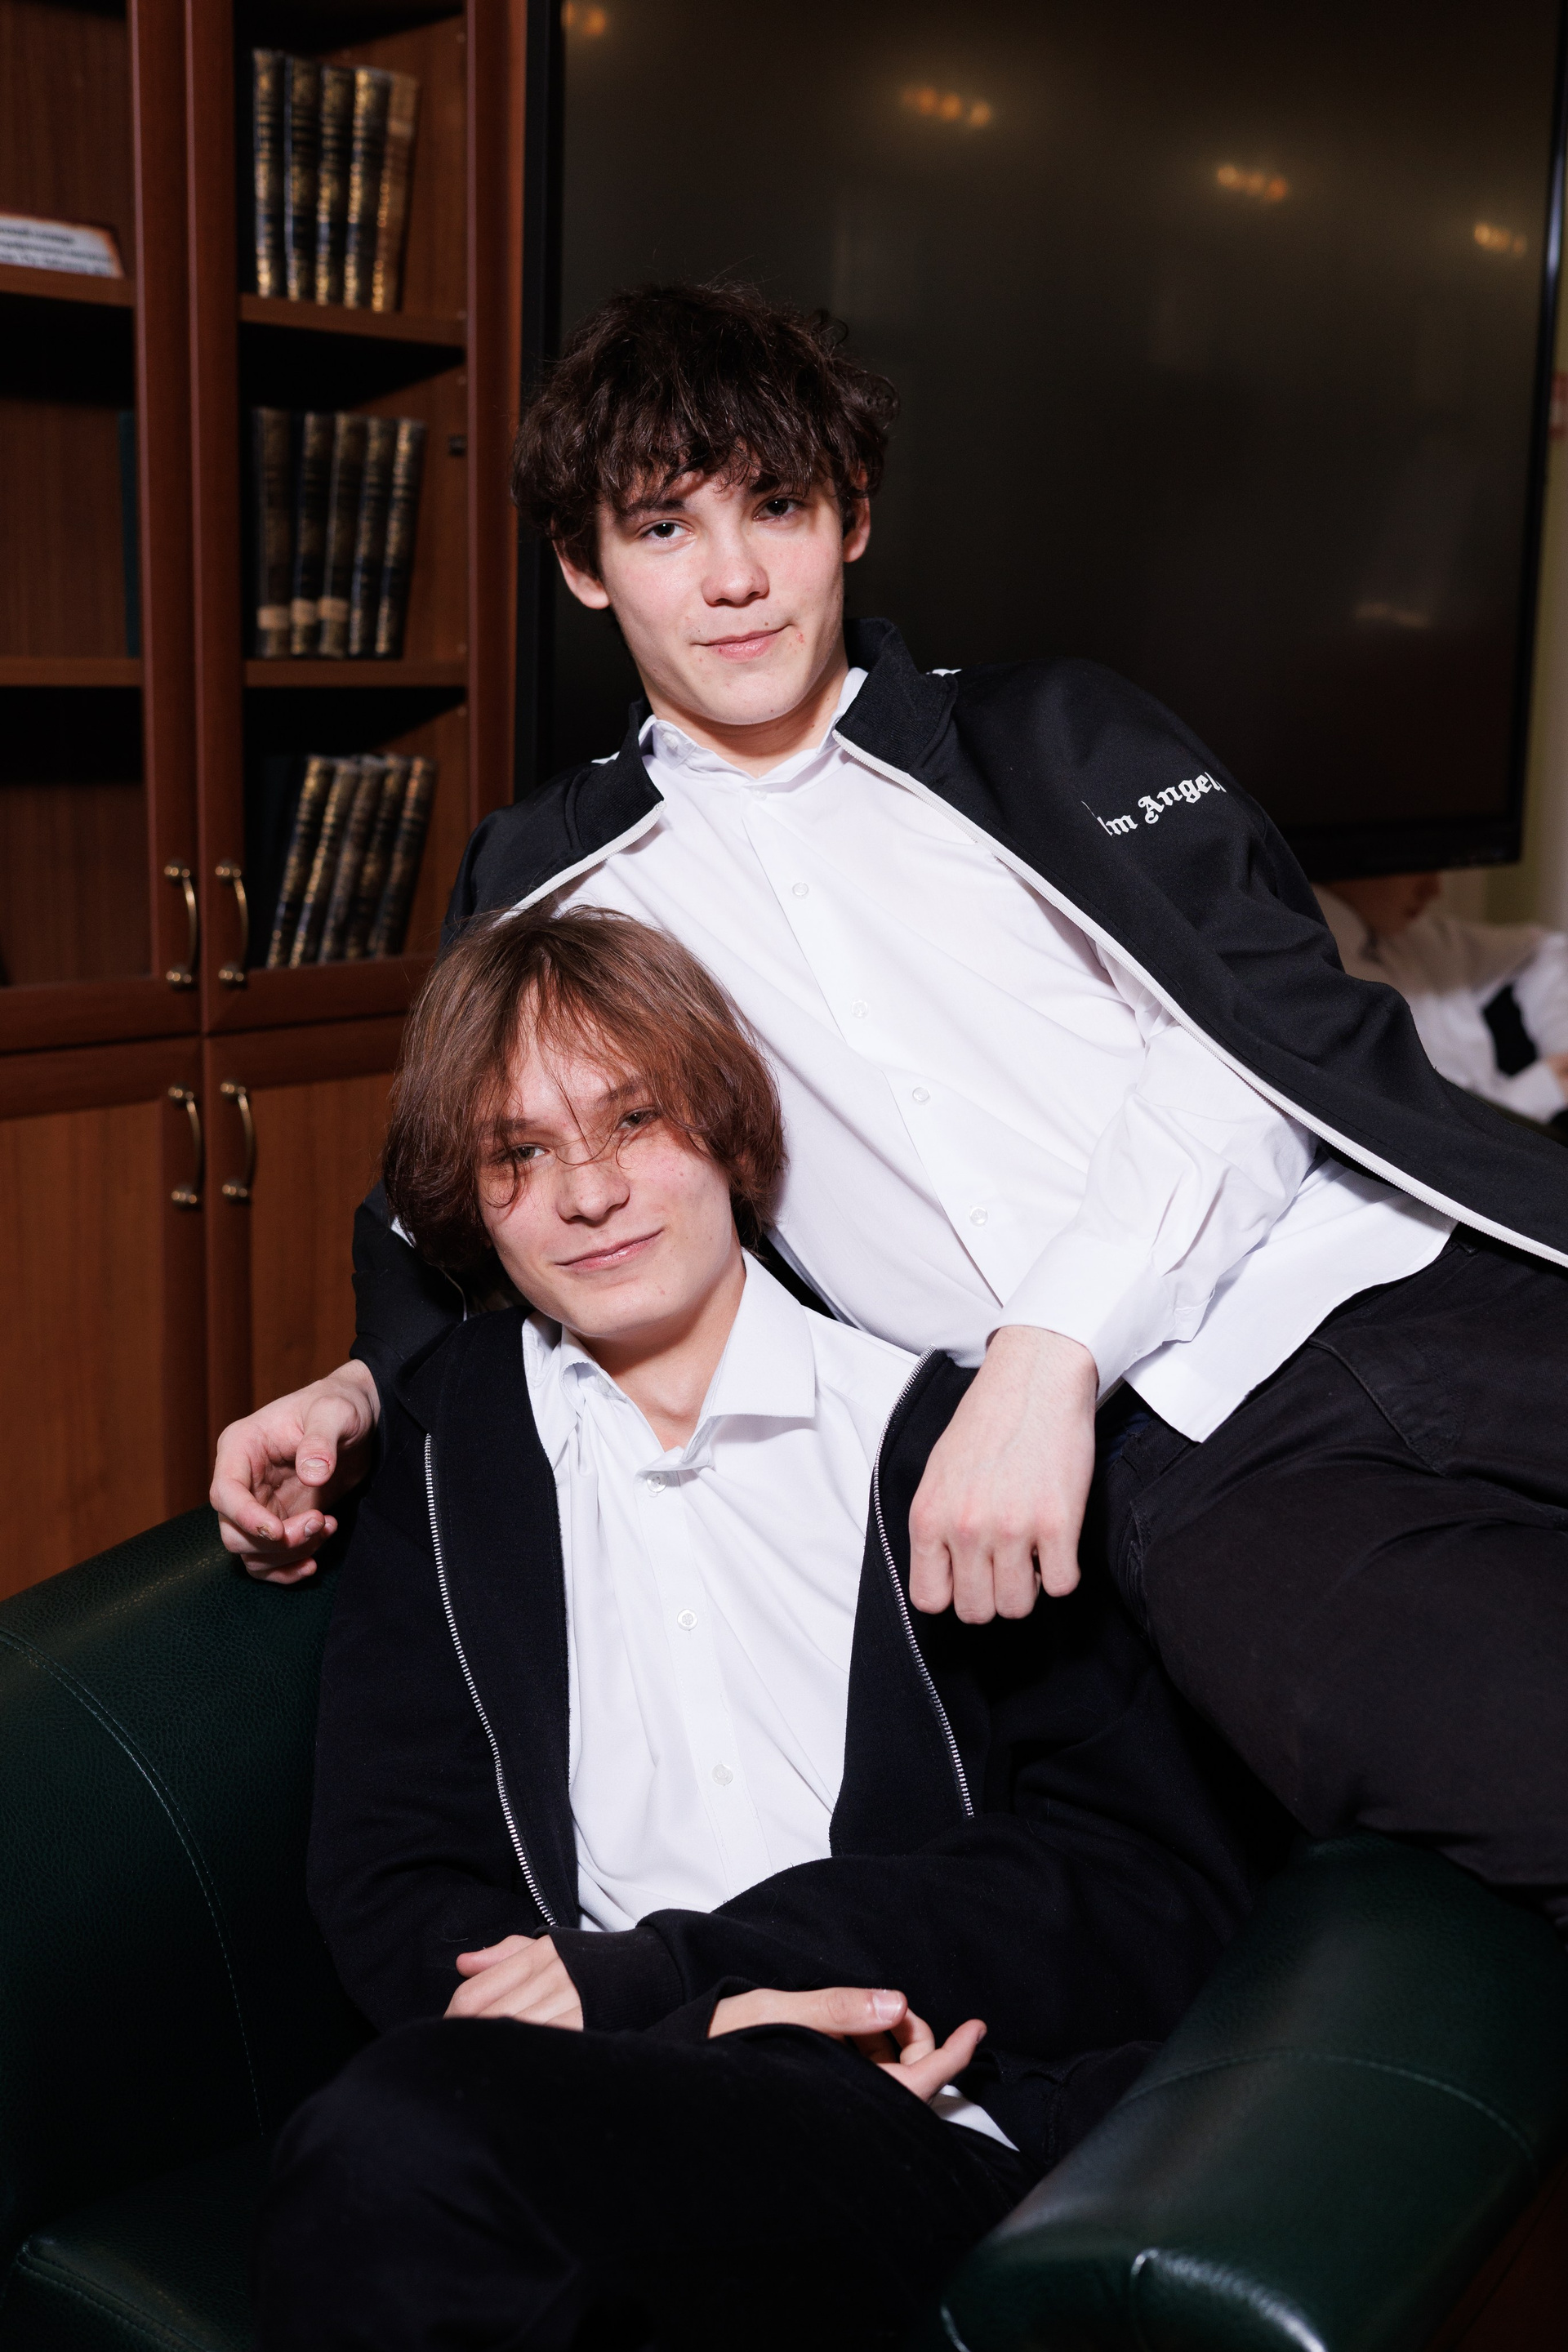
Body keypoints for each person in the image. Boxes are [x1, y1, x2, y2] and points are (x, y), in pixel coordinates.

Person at [215, 280, 1568, 1937]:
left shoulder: (1054, 731)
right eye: (663, 526)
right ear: (583, 564)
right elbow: (462, 1188)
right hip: (1186, 1471)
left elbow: (1260, 1043)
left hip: (1413, 1279)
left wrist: (1045, 1350)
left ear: (851, 516)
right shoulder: (550, 880)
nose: (731, 577)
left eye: (776, 507)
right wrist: (355, 1392)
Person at [257, 905, 1255, 2352]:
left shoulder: (946, 1451)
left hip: (920, 2108)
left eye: (634, 1119)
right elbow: (392, 1870)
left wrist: (710, 1975)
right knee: (395, 2158)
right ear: (474, 1206)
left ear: (727, 1126)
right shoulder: (443, 1455)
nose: (590, 1193)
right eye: (520, 1152)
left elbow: (1141, 1885)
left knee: (387, 2156)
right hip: (606, 2096)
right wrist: (694, 2029)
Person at [1316, 871, 1568, 1125]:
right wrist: (1533, 1095)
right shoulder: (1323, 978)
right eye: (1417, 867)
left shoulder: (1414, 936)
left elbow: (1543, 948)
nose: (1434, 890)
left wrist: (1562, 1049)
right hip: (1485, 1134)